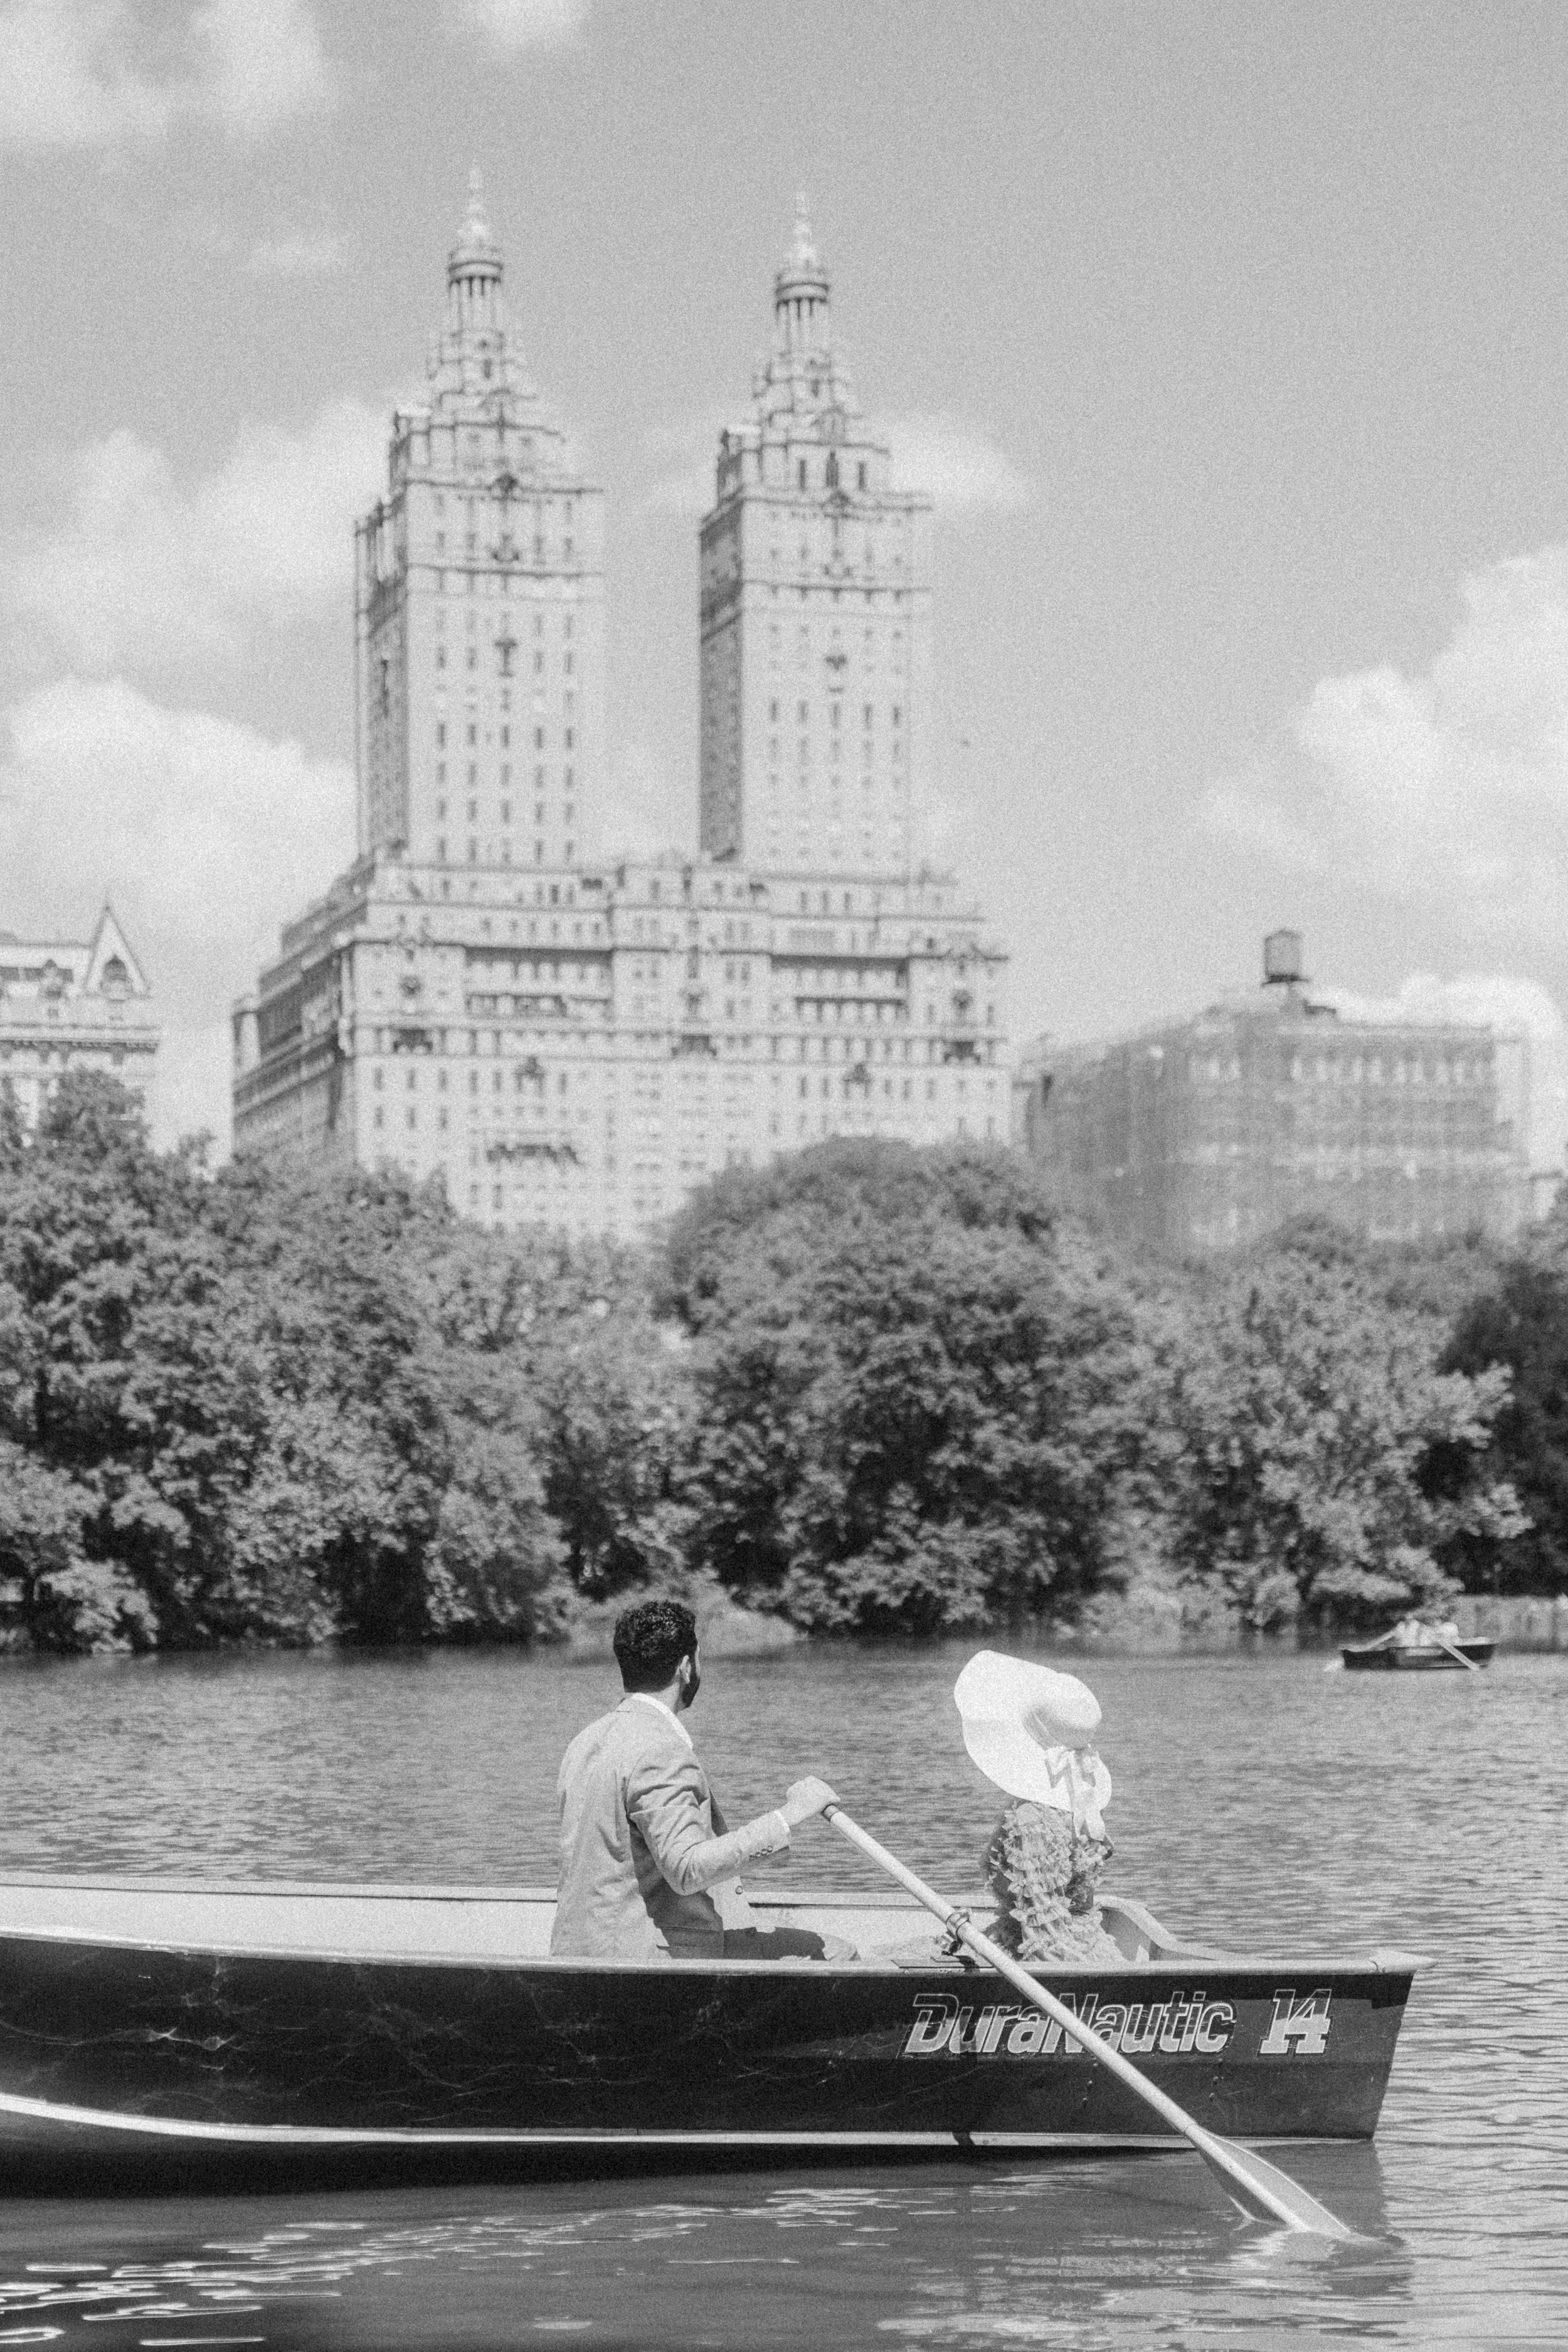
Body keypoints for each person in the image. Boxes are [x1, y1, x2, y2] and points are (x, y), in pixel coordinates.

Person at [550, 1597, 841, 1961]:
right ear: (687, 1667)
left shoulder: (584, 1741)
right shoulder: (661, 1750)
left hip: (575, 1953)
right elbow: (686, 1869)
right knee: (835, 1953)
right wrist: (791, 1814)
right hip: (648, 1963)